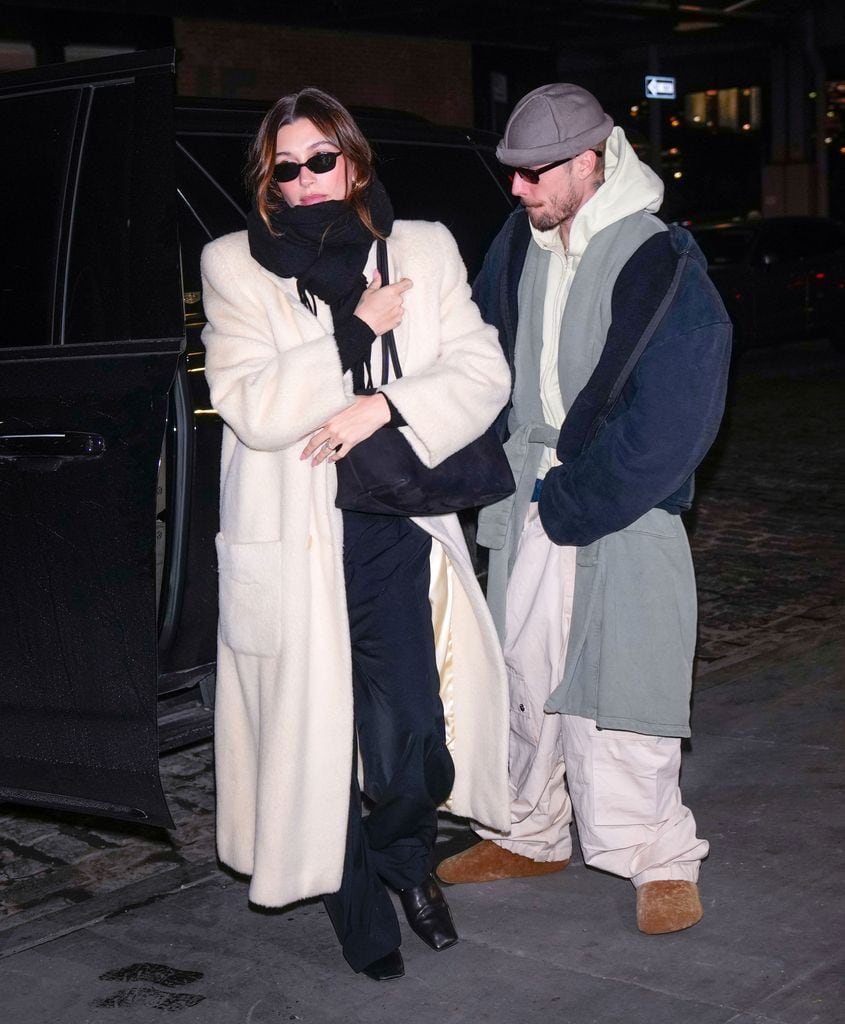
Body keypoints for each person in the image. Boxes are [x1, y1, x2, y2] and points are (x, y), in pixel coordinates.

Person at [200, 87, 512, 980]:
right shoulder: (233, 264)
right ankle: (356, 906)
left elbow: (480, 368)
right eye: (284, 167)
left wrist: (383, 405)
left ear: (353, 158)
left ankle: (404, 862)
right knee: (314, 732)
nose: (303, 180)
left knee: (411, 729)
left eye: (318, 160)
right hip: (291, 539)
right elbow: (252, 406)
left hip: (392, 525)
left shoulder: (421, 248)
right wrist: (348, 332)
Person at [435, 83, 732, 935]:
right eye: (513, 175)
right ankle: (528, 833)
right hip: (527, 496)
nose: (518, 192)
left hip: (616, 503)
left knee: (621, 687)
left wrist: (580, 498)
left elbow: (679, 414)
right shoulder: (522, 240)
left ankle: (656, 858)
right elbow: (484, 349)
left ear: (588, 163)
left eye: (534, 176)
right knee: (524, 679)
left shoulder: (658, 256)